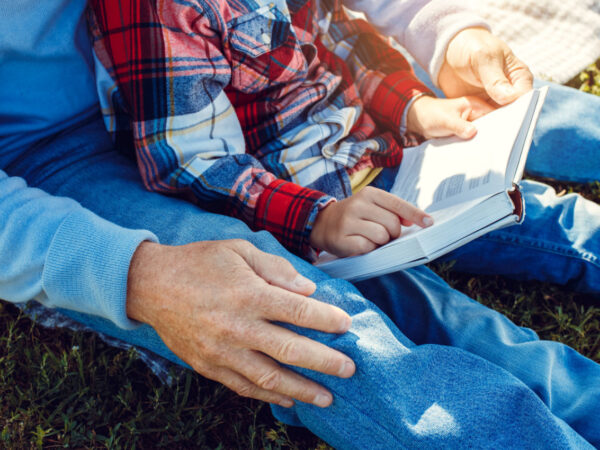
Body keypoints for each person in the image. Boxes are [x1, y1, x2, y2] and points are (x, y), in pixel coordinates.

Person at [1, 0, 600, 448]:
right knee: (313, 319)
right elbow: (192, 157)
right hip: (61, 154)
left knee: (524, 127)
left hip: (332, 144)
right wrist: (135, 274)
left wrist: (444, 46)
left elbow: (343, 34)